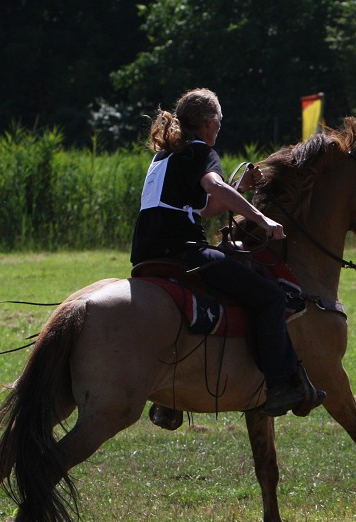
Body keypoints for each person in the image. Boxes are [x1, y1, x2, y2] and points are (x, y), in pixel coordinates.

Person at [131, 87, 324, 417]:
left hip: (145, 257)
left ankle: (169, 397)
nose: (219, 129)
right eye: (219, 123)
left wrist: (242, 188)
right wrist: (262, 218)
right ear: (208, 123)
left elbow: (205, 209)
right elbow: (214, 188)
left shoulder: (164, 156)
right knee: (270, 298)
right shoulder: (200, 151)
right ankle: (279, 385)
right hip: (185, 253)